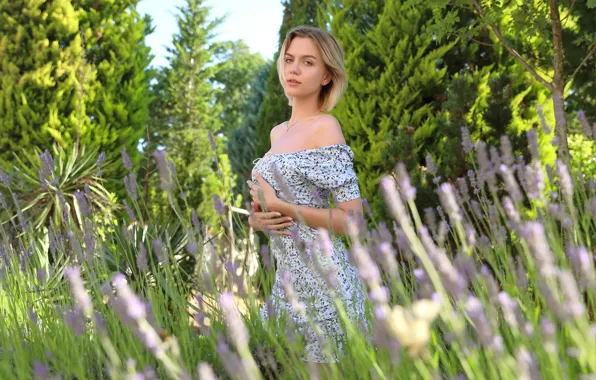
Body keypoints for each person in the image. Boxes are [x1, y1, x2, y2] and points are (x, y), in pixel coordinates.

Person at [246, 25, 368, 368]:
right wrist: (259, 219)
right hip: (285, 287)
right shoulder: (277, 133)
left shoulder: (325, 127)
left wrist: (282, 207)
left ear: (327, 75)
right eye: (289, 59)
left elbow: (352, 221)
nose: (294, 69)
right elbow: (269, 209)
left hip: (325, 283)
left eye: (308, 62)